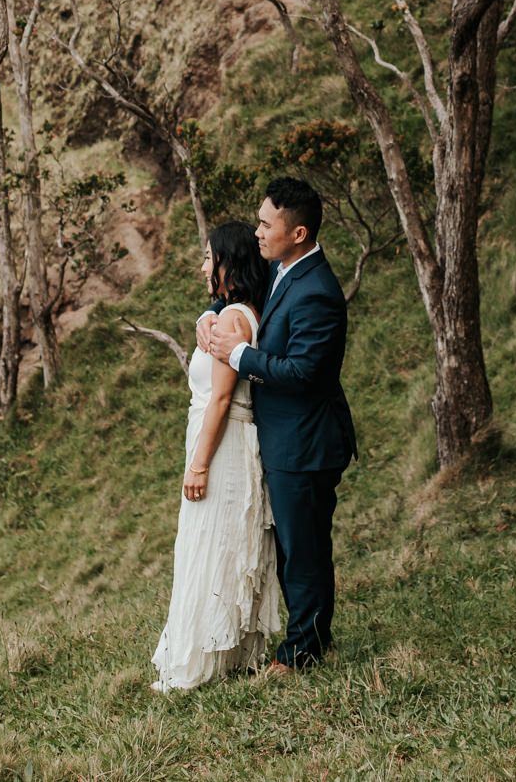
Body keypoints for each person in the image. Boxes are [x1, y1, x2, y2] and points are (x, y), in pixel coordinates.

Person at [201, 175, 357, 675]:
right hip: (282, 440)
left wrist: (242, 355)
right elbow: (238, 290)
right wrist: (209, 315)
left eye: (267, 224)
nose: (258, 232)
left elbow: (306, 373)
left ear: (299, 232)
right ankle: (310, 637)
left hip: (306, 443)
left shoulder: (319, 293)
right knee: (294, 546)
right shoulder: (281, 270)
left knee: (303, 550)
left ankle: (302, 652)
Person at [150, 223, 282, 691]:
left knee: (210, 545)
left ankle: (204, 662)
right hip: (219, 439)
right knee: (216, 545)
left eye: (209, 258)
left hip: (221, 445)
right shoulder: (234, 312)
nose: (203, 267)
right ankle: (223, 653)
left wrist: (199, 464)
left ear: (228, 263)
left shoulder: (232, 320)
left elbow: (222, 400)